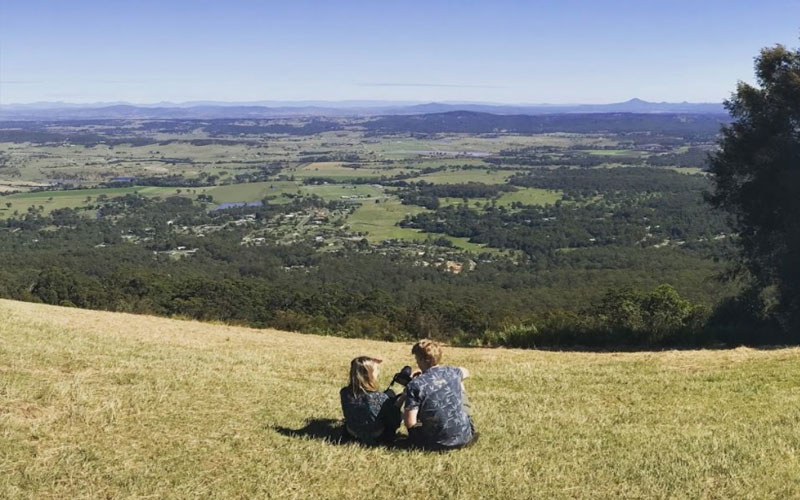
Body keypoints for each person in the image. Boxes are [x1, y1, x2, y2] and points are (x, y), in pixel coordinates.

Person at [403, 339, 476, 451]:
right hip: (465, 437)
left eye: (417, 359)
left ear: (422, 359)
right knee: (459, 382)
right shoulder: (452, 372)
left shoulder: (415, 385)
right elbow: (465, 372)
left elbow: (410, 423)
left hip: (436, 443)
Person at [340, 356, 403, 446]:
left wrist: (369, 361)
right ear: (368, 374)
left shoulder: (345, 393)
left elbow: (356, 364)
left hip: (352, 433)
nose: (378, 372)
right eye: (376, 370)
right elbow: (394, 421)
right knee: (392, 409)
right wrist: (402, 399)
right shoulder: (380, 397)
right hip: (376, 436)